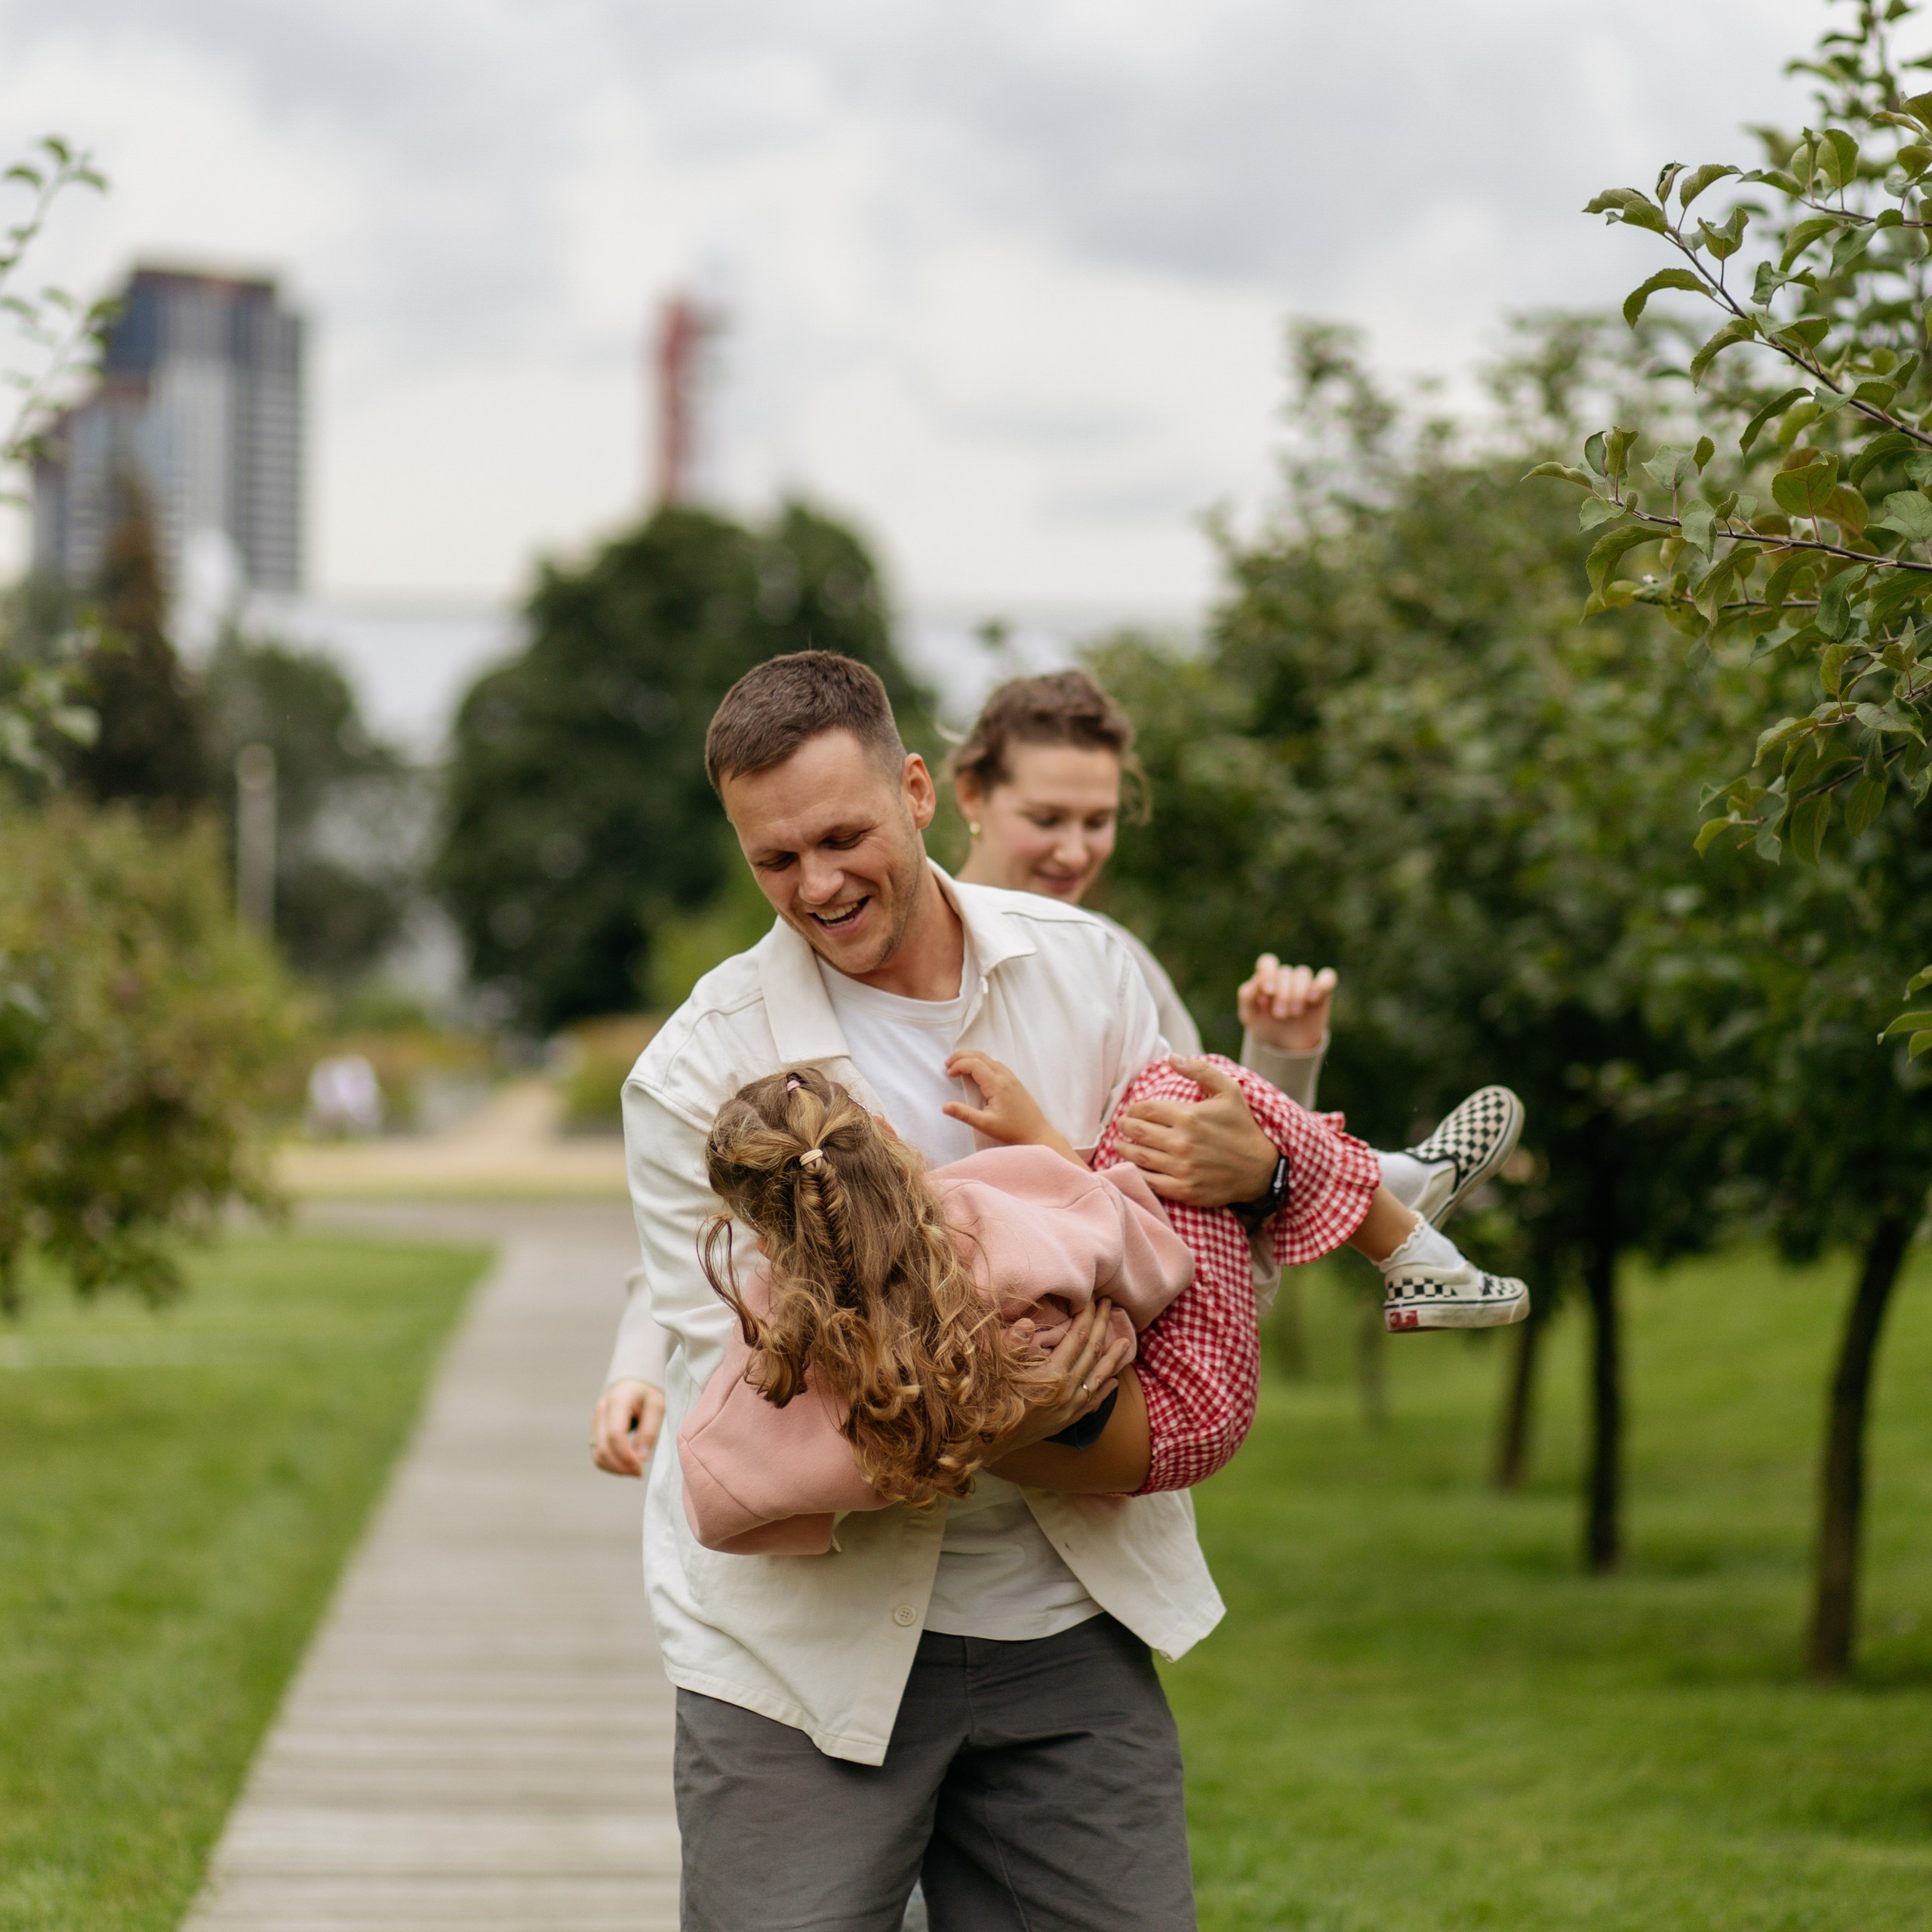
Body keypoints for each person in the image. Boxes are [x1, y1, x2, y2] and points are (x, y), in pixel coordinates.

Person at [595, 649, 1297, 1931]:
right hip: (799, 1663)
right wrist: (1052, 1388)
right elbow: (770, 1407)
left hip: (1062, 1622)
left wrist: (1257, 1172)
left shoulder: (1093, 975)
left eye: (844, 835)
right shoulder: (696, 1076)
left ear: (919, 791)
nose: (818, 884)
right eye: (774, 859)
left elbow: (1201, 1266)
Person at [677, 1041, 1524, 1557]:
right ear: (886, 1143)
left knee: (1173, 1118)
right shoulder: (970, 1221)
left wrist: (938, 1446)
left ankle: (1392, 1193)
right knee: (1172, 1090)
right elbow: (1151, 1257)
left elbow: (716, 1492)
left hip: (1141, 1442)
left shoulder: (785, 1338)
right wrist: (1046, 1150)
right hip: (1191, 1399)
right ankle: (1394, 1215)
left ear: (756, 1225)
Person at [947, 667, 1524, 1319]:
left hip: (1141, 1337)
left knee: (1194, 1089)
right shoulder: (921, 957)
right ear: (971, 795)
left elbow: (1224, 1236)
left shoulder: (1118, 962)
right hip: (1009, 1342)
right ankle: (1385, 1184)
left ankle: (1379, 1188)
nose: (1075, 852)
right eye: (1047, 819)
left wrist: (1281, 1058)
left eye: (1098, 821)